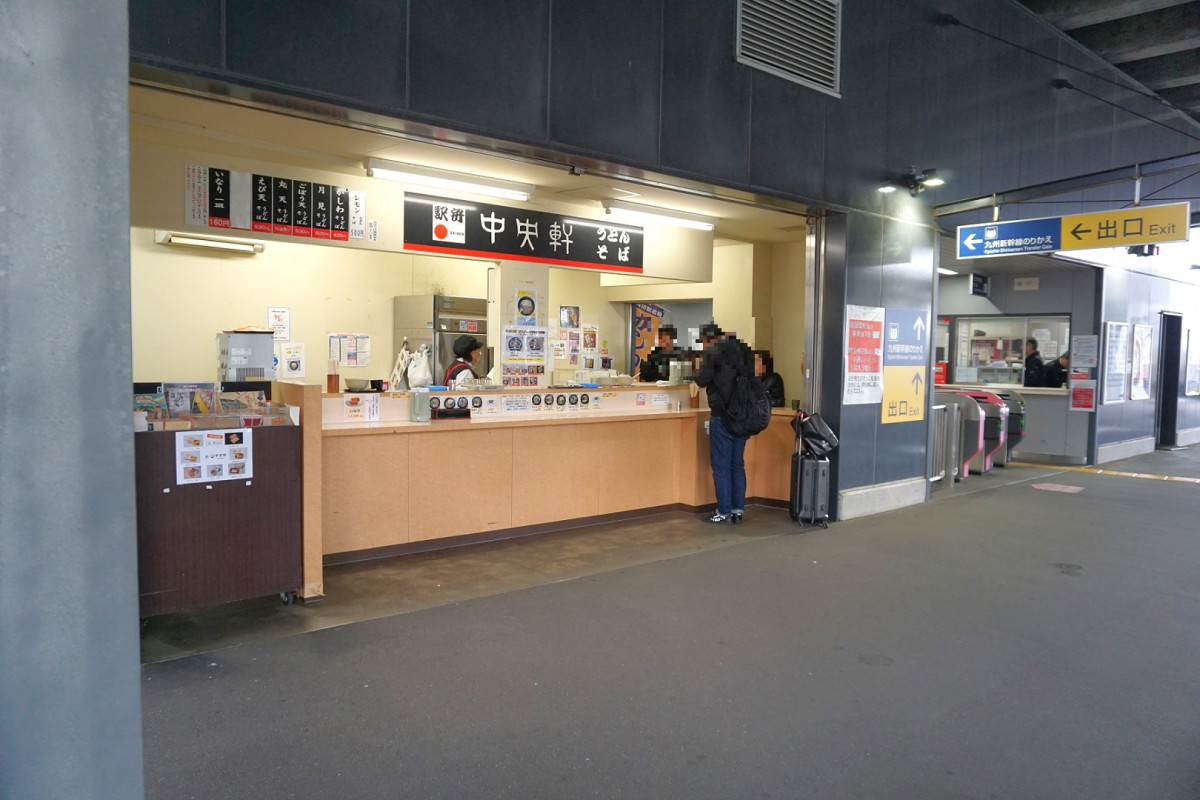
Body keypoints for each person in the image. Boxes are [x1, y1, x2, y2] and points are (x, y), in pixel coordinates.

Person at [694, 323, 754, 524]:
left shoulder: (713, 352)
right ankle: (738, 510)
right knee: (737, 465)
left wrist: (697, 370)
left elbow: (701, 380)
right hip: (744, 417)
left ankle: (723, 511)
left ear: (707, 339)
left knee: (721, 467)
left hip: (722, 416)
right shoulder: (744, 350)